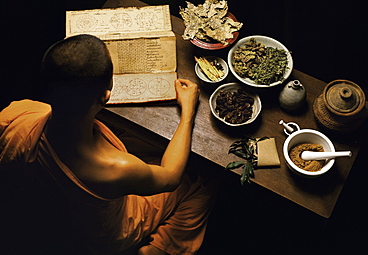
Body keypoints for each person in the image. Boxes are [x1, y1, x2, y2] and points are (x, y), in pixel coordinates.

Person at [0, 34, 218, 255]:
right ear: (105, 97)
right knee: (203, 180)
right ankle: (158, 249)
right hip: (101, 235)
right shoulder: (115, 168)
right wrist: (188, 112)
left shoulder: (17, 111)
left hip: (42, 208)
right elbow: (171, 177)